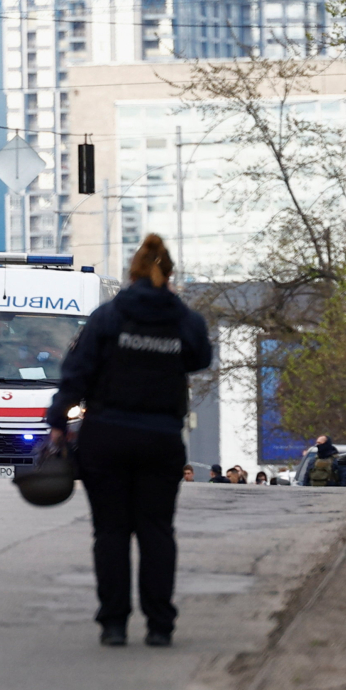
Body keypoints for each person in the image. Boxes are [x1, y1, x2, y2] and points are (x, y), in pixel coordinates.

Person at [47, 233, 213, 649]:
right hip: (161, 438)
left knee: (111, 531)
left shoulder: (108, 317)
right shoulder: (182, 320)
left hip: (108, 436)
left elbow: (77, 371)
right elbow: (201, 357)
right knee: (157, 530)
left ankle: (114, 624)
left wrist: (57, 421)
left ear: (132, 273)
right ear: (168, 274)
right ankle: (159, 625)